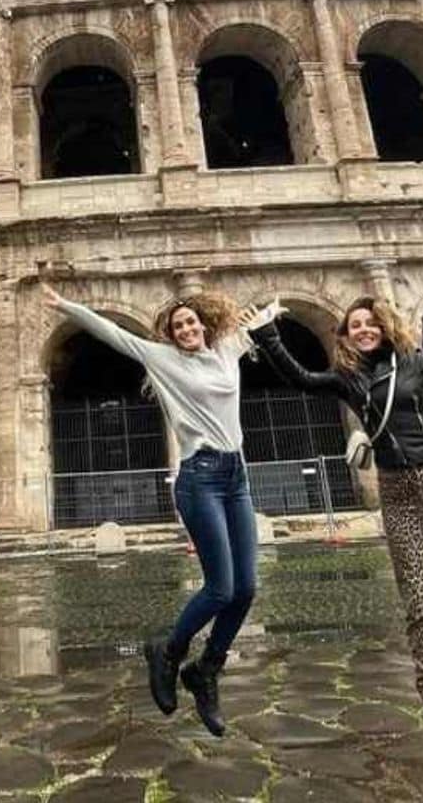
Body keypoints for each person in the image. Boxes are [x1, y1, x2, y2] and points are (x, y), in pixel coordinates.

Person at [250, 292, 423, 790]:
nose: (363, 329)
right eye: (354, 324)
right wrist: (267, 333)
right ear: (345, 335)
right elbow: (302, 379)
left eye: (370, 322)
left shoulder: (415, 363)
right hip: (395, 492)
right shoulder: (349, 379)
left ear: (384, 325)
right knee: (417, 604)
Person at [41, 281, 281, 737]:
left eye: (191, 321)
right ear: (171, 336)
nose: (186, 328)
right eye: (178, 326)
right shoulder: (163, 359)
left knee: (247, 588)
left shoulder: (228, 351)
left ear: (203, 326)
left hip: (236, 477)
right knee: (220, 587)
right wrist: (67, 306)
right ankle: (168, 651)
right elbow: (114, 334)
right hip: (200, 477)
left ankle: (206, 669)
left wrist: (274, 310)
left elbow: (259, 320)